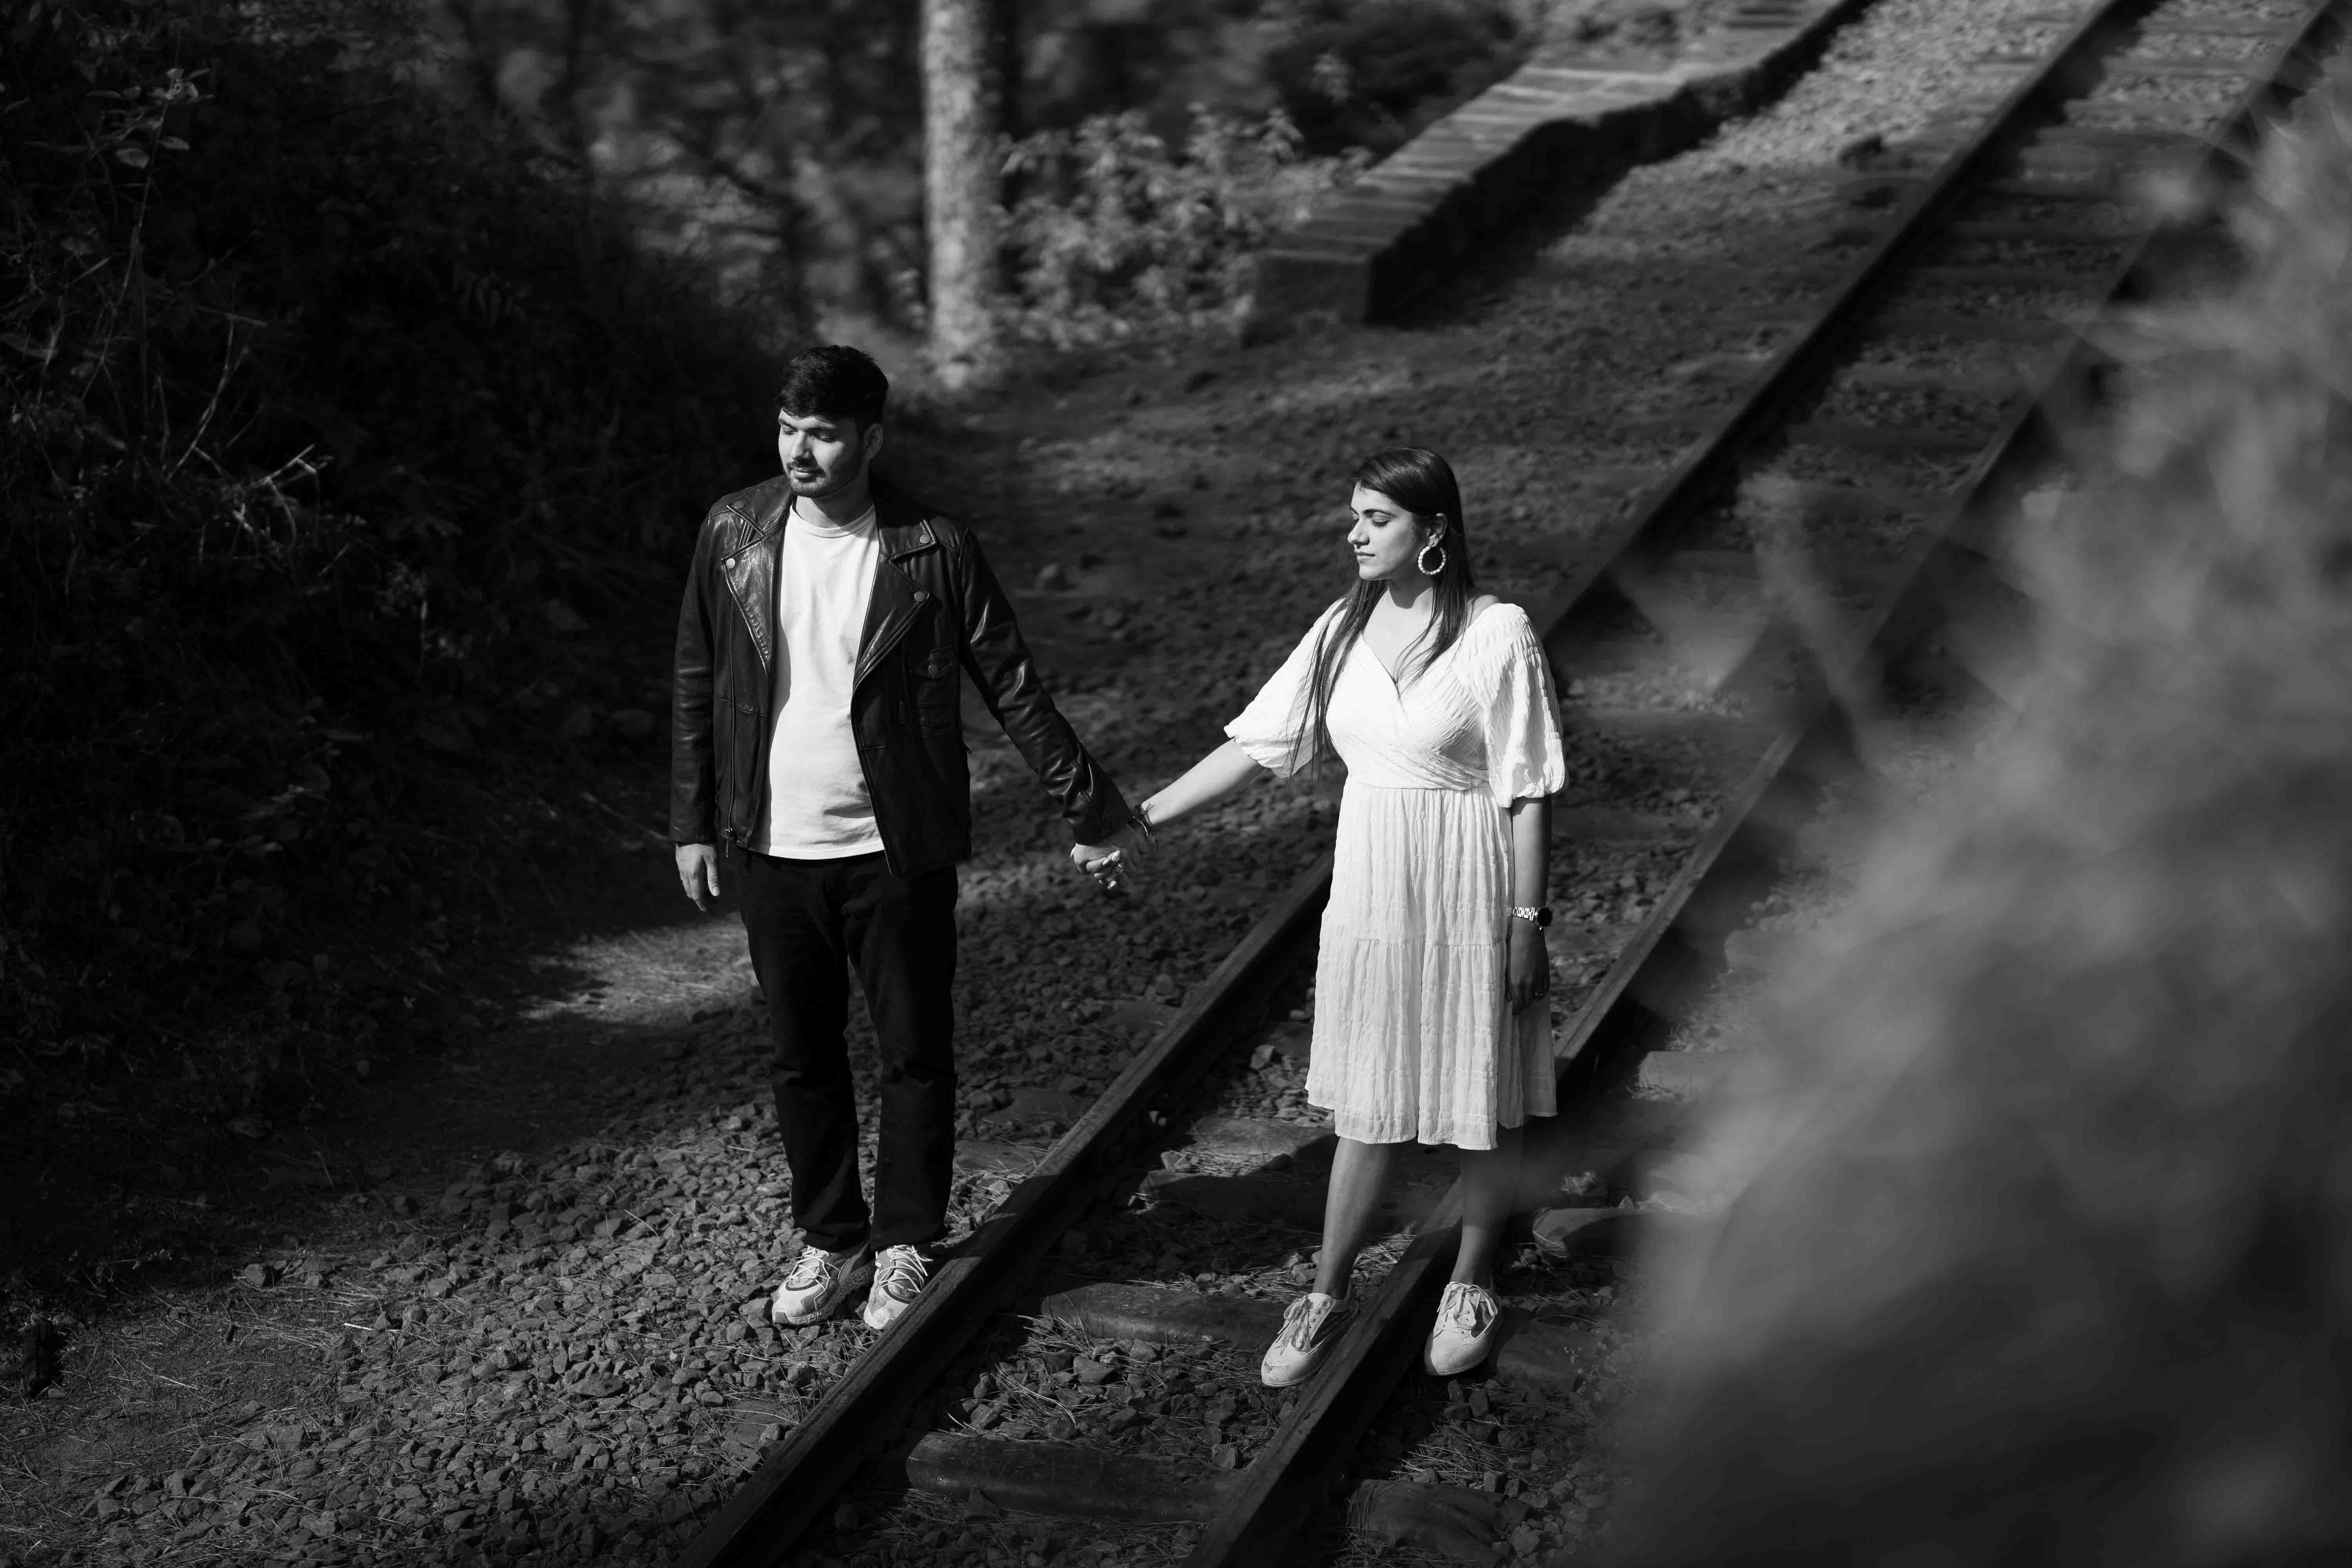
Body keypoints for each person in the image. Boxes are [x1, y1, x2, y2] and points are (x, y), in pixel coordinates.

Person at [671, 345, 1137, 1333]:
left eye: (824, 434)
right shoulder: (733, 531)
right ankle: (832, 1239)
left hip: (895, 844)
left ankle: (906, 1242)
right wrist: (691, 822)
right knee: (800, 1056)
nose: (800, 451)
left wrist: (1088, 802)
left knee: (914, 1053)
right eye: (788, 429)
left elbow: (1011, 681)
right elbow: (697, 679)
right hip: (770, 844)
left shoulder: (934, 547)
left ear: (872, 439)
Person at [1084, 448, 1565, 1385]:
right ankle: (1326, 1290)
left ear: (1434, 530)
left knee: (1484, 1088)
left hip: (1469, 881)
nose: (1355, 533)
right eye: (1354, 515)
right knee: (1369, 1099)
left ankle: (1471, 1279)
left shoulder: (1497, 631)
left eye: (1377, 518)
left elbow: (1528, 790)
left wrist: (1527, 921)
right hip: (1375, 887)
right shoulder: (1340, 630)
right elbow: (1255, 745)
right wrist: (1140, 822)